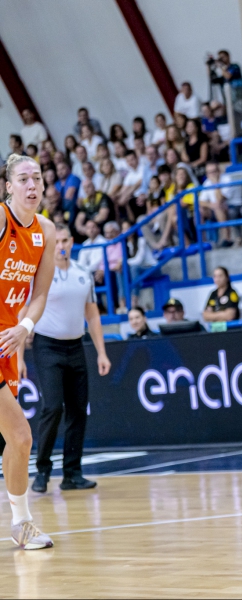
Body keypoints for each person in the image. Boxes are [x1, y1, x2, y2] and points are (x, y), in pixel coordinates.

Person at [0, 154, 57, 549]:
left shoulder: (46, 231)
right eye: (23, 179)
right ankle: (22, 523)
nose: (32, 185)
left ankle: (20, 522)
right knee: (21, 436)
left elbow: (39, 294)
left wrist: (25, 327)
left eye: (36, 177)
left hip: (8, 341)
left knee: (15, 440)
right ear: (9, 187)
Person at [29, 222, 111, 494]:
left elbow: (92, 316)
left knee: (78, 409)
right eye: (57, 241)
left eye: (65, 241)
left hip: (76, 346)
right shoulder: (40, 273)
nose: (61, 246)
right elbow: (24, 311)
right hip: (47, 346)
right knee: (53, 407)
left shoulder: (83, 273)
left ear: (72, 242)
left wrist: (101, 352)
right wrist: (17, 356)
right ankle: (42, 470)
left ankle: (72, 473)